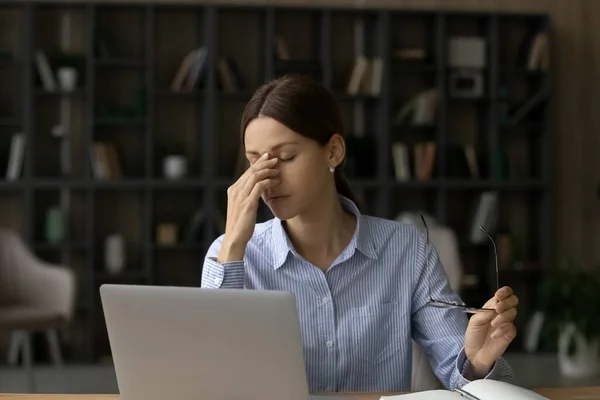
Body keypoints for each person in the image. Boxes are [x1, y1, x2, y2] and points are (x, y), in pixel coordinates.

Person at [200, 74, 517, 393]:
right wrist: (233, 245)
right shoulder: (232, 254)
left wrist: (477, 361)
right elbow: (207, 373)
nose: (267, 179)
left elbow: (458, 371)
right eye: (254, 163)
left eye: (285, 158)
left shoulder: (407, 250)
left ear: (333, 151)